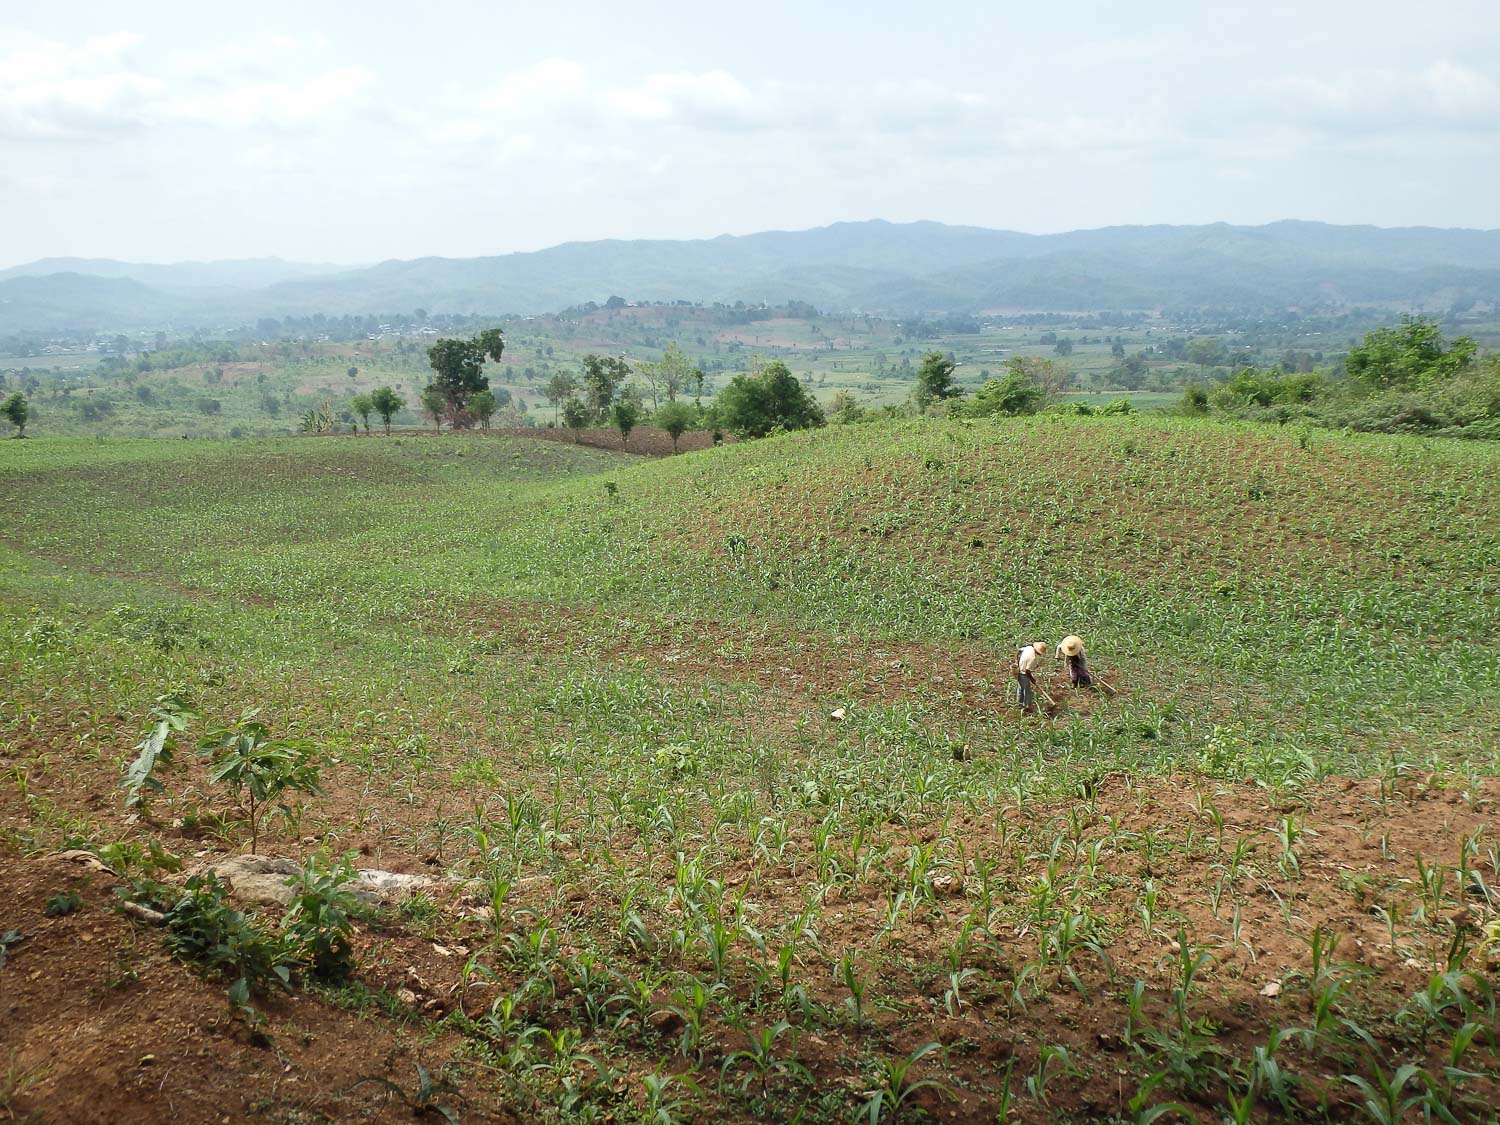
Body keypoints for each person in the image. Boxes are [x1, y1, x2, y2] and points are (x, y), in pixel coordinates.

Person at [1016, 640, 1048, 712]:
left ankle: (1019, 703)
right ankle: (1027, 706)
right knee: (1027, 691)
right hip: (1024, 674)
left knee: (1020, 688)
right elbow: (1027, 671)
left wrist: (1017, 661)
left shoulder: (1028, 648)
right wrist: (1032, 679)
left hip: (1019, 671)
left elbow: (1019, 651)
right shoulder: (1032, 658)